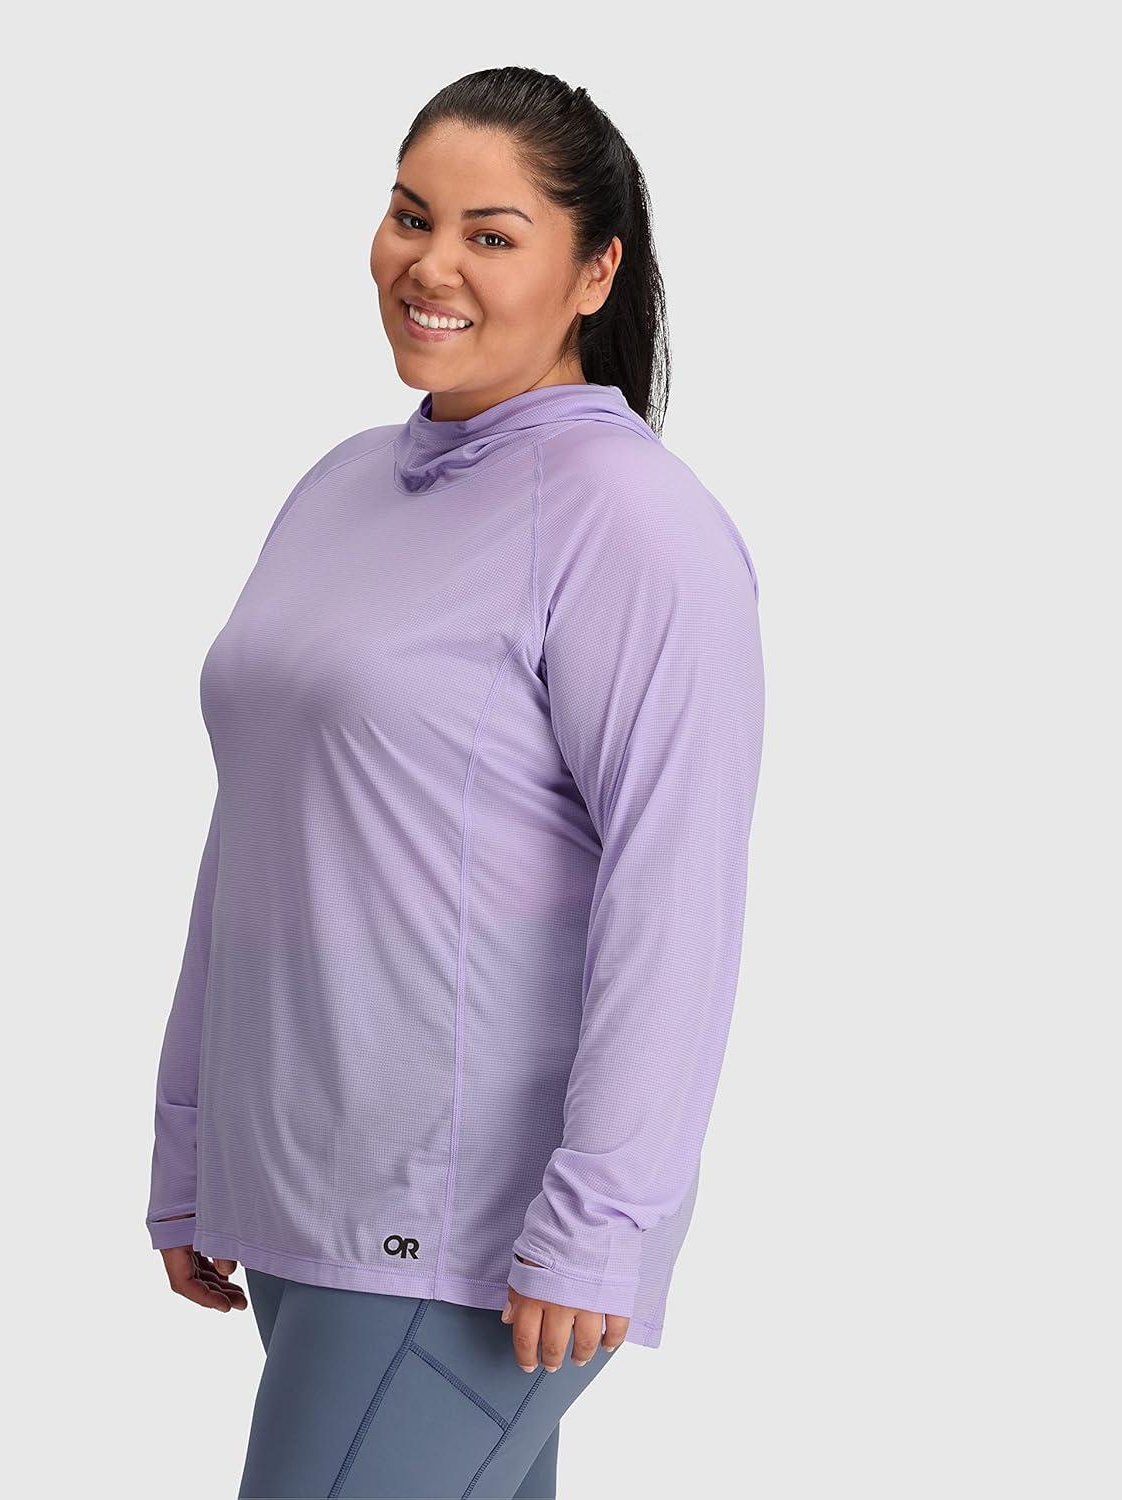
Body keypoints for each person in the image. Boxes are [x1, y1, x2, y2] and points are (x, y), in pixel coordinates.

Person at [145, 66, 766, 1499]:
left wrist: (602, 1222)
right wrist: (193, 1139)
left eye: (493, 234)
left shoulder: (635, 524)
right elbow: (258, 832)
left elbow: (675, 896)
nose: (431, 264)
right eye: (411, 215)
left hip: (468, 1227)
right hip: (301, 1195)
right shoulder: (341, 486)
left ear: (595, 272)